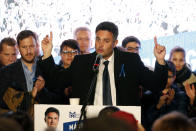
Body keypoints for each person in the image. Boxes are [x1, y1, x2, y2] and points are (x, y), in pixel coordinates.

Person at [40, 21, 167, 106]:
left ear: (115, 43)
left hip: (122, 122)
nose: (100, 45)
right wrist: (46, 54)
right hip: (90, 123)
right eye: (98, 39)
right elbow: (55, 82)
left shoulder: (130, 61)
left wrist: (160, 61)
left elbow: (156, 85)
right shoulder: (81, 62)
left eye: (106, 41)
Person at [0, 30, 52, 116]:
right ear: (18, 48)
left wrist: (42, 91)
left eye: (31, 46)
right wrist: (30, 95)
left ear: (37, 46)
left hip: (43, 121)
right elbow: (2, 102)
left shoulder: (47, 69)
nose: (28, 51)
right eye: (24, 47)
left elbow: (58, 99)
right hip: (16, 123)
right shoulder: (5, 72)